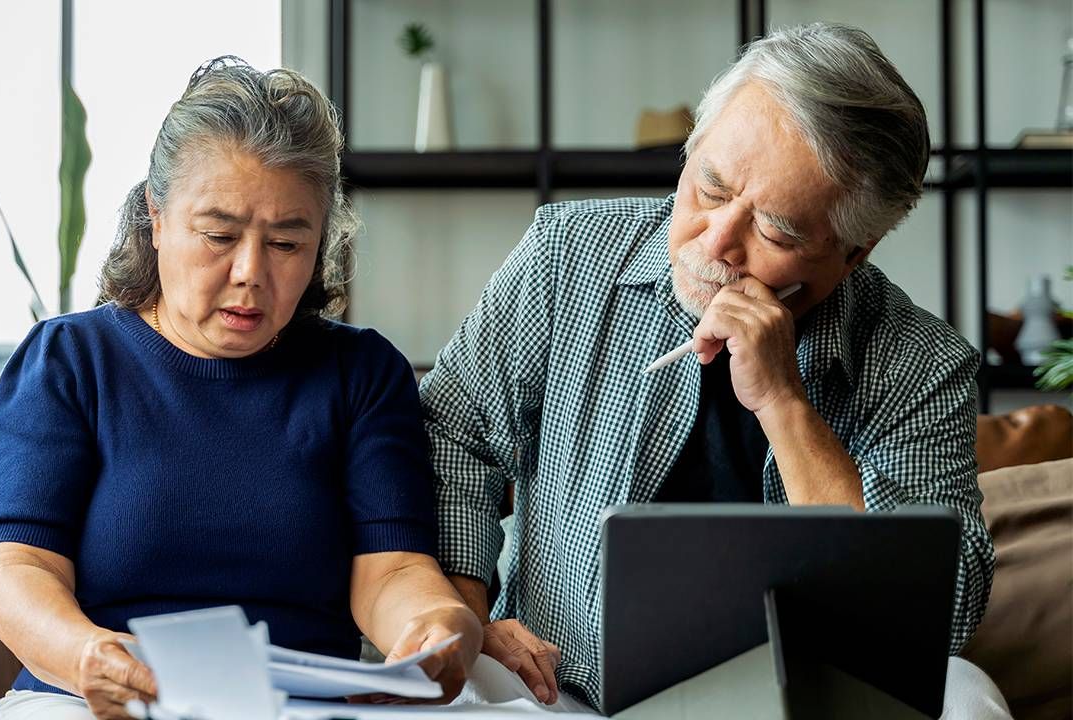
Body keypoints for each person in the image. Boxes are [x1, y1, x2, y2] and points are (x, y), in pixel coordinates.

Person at [422, 24, 1009, 719]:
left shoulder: (922, 362)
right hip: (561, 681)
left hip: (812, 696)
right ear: (692, 150)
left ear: (853, 252)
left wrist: (785, 404)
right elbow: (452, 434)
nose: (717, 241)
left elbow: (939, 618)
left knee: (966, 696)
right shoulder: (564, 257)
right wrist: (469, 613)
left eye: (776, 232)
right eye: (709, 187)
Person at [0, 57, 481, 720]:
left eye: (288, 243)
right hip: (89, 701)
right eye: (219, 235)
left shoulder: (361, 374)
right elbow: (17, 569)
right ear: (156, 218)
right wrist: (86, 655)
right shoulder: (69, 360)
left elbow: (390, 572)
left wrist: (436, 627)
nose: (250, 272)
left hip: (300, 707)